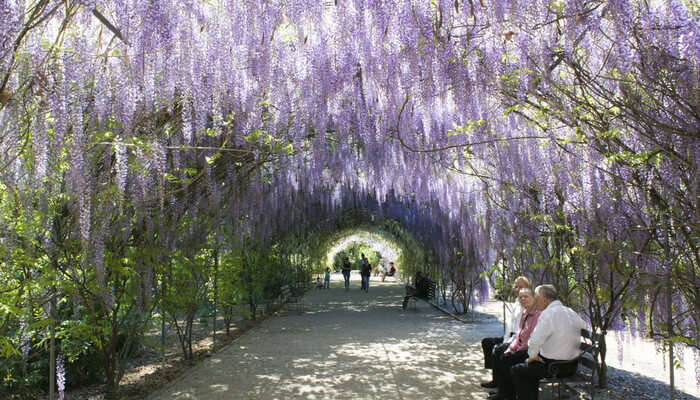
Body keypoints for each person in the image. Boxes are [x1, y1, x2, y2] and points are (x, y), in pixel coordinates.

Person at [510, 284, 586, 400]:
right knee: (528, 366)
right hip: (572, 365)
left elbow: (534, 340)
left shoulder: (548, 314)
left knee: (519, 370)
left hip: (555, 367)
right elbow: (583, 326)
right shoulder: (570, 311)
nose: (535, 300)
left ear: (545, 299)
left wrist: (532, 356)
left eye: (536, 297)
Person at [488, 288, 541, 400]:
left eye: (526, 296)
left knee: (507, 359)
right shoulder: (524, 313)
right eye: (520, 297)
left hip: (531, 351)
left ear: (533, 298)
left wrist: (517, 350)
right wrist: (511, 348)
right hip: (522, 347)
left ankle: (507, 393)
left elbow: (532, 340)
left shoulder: (537, 315)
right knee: (504, 354)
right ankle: (504, 391)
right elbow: (519, 335)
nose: (523, 299)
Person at [480, 276, 531, 389]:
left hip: (518, 339)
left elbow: (523, 330)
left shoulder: (527, 303)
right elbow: (510, 325)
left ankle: (500, 383)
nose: (518, 289)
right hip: (510, 335)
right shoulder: (517, 301)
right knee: (487, 342)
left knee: (498, 350)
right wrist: (505, 339)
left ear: (528, 288)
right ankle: (496, 376)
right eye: (516, 286)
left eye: (521, 287)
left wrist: (509, 342)